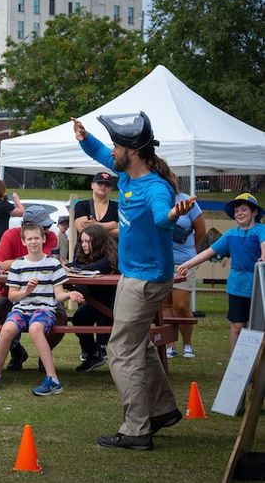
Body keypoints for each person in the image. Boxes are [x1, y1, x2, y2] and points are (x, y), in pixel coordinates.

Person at [74, 112, 195, 450]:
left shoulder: (155, 188)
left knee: (120, 350)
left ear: (134, 151)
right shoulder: (127, 173)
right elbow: (100, 153)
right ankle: (163, 410)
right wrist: (84, 138)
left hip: (144, 281)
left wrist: (173, 214)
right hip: (140, 277)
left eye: (117, 145)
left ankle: (136, 429)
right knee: (138, 344)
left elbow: (161, 217)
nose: (111, 150)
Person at [0, 222, 84, 395]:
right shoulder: (17, 266)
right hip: (21, 309)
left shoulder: (53, 264)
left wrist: (69, 295)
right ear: (24, 242)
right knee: (7, 329)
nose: (33, 242)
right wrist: (26, 291)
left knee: (36, 328)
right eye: (29, 239)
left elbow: (58, 295)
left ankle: (53, 380)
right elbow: (12, 296)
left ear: (43, 239)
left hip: (45, 309)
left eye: (36, 238)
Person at [177, 193, 265, 353]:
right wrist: (188, 264)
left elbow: (264, 244)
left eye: (244, 209)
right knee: (237, 327)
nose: (239, 213)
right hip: (237, 288)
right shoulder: (231, 234)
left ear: (254, 212)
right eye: (237, 211)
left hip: (259, 289)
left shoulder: (261, 230)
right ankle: (234, 365)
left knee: (259, 330)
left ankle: (258, 365)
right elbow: (209, 252)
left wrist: (263, 257)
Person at [0, 206, 63, 371]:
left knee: (61, 317)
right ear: (26, 227)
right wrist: (25, 261)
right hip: (11, 293)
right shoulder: (10, 235)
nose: (47, 230)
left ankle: (44, 356)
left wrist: (14, 263)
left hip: (44, 294)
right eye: (43, 227)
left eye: (47, 227)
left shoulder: (48, 236)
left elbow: (44, 260)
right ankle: (15, 349)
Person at [70, 224, 119, 372]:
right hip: (95, 299)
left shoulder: (111, 255)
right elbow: (75, 265)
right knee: (79, 318)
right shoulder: (83, 254)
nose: (84, 245)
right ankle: (93, 354)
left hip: (114, 300)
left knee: (88, 318)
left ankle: (101, 352)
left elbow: (97, 267)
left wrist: (73, 269)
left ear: (97, 241)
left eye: (88, 241)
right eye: (82, 241)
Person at [164, 191, 206, 358]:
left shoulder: (187, 200)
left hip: (184, 262)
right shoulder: (155, 196)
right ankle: (170, 345)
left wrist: (189, 252)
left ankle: (187, 344)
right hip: (161, 262)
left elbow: (201, 231)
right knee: (165, 304)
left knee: (181, 306)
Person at [74, 171, 120, 239]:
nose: (103, 186)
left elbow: (122, 231)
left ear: (111, 188)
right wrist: (113, 225)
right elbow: (83, 230)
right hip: (88, 245)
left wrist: (96, 225)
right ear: (92, 185)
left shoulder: (117, 206)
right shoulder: (81, 205)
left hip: (111, 245)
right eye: (100, 183)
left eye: (107, 184)